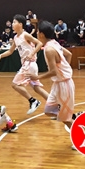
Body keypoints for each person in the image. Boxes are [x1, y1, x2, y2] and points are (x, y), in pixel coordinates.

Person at [26, 20, 77, 149]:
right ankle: (73, 117)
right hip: (58, 83)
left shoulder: (49, 49)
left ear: (41, 34)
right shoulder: (54, 43)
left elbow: (53, 71)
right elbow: (69, 54)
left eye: (38, 31)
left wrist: (37, 77)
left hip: (64, 84)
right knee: (49, 110)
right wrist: (65, 69)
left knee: (65, 118)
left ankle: (79, 138)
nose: (37, 34)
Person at [0, 14, 50, 115]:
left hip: (29, 64)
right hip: (29, 65)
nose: (12, 24)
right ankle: (56, 106)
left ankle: (33, 101)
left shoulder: (26, 35)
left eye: (14, 22)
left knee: (15, 84)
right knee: (37, 88)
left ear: (20, 24)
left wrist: (32, 53)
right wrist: (1, 55)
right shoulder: (15, 37)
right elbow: (10, 51)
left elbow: (39, 44)